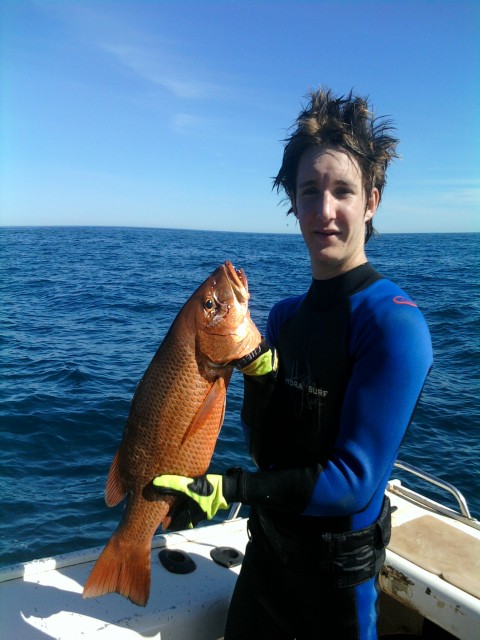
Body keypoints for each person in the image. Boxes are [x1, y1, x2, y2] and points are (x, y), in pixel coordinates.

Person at [151, 88, 433, 639]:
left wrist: (231, 490)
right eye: (310, 192)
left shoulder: (394, 325)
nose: (324, 210)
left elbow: (353, 482)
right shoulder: (281, 318)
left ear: (371, 201)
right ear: (293, 203)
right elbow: (267, 448)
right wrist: (258, 379)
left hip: (335, 592)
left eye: (343, 191)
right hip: (265, 565)